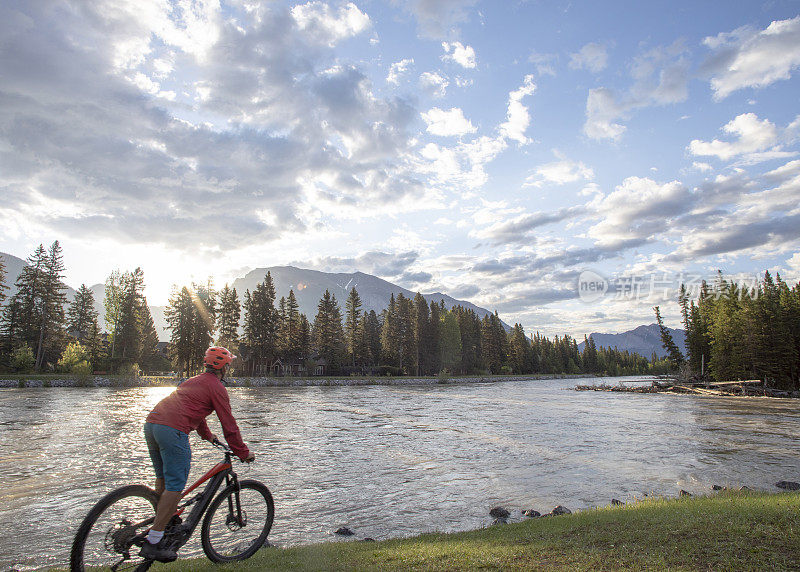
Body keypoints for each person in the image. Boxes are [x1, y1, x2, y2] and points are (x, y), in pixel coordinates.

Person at [140, 346, 255, 562]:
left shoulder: (193, 381)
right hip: (173, 430)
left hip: (151, 425)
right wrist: (243, 452)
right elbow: (229, 425)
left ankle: (163, 524)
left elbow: (194, 410)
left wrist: (208, 436)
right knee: (175, 486)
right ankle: (154, 542)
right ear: (224, 367)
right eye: (229, 364)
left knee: (163, 479)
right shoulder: (217, 388)